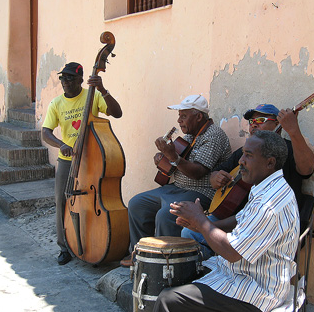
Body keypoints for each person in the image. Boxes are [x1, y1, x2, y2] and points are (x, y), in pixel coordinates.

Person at [153, 130, 299, 312]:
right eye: (243, 153)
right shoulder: (268, 187)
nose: (241, 161)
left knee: (168, 300)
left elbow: (232, 253)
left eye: (249, 155)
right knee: (181, 270)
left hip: (257, 289)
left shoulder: (269, 204)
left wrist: (200, 220)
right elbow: (241, 218)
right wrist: (202, 224)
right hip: (242, 273)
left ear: (270, 163)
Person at [182, 103, 314, 259]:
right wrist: (215, 177)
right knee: (188, 231)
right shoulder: (245, 151)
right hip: (235, 216)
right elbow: (216, 173)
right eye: (251, 122)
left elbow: (306, 170)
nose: (254, 125)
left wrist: (294, 132)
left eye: (260, 119)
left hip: (259, 228)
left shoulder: (288, 150)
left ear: (278, 123)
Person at [120, 95, 231, 267]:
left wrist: (172, 156)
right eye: (179, 116)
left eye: (183, 116)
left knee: (166, 215)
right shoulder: (188, 136)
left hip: (201, 193)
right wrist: (162, 159)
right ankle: (140, 256)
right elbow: (173, 164)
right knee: (137, 204)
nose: (179, 120)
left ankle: (164, 265)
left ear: (199, 116)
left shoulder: (214, 135)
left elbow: (197, 172)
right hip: (176, 187)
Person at [42, 62, 122, 265]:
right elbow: (45, 133)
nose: (65, 82)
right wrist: (61, 145)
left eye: (70, 78)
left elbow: (116, 112)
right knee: (62, 200)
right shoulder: (56, 104)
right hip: (69, 161)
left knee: (93, 200)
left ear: (80, 80)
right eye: (63, 78)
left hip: (93, 160)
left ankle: (95, 240)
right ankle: (64, 246)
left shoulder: (92, 96)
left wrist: (103, 90)